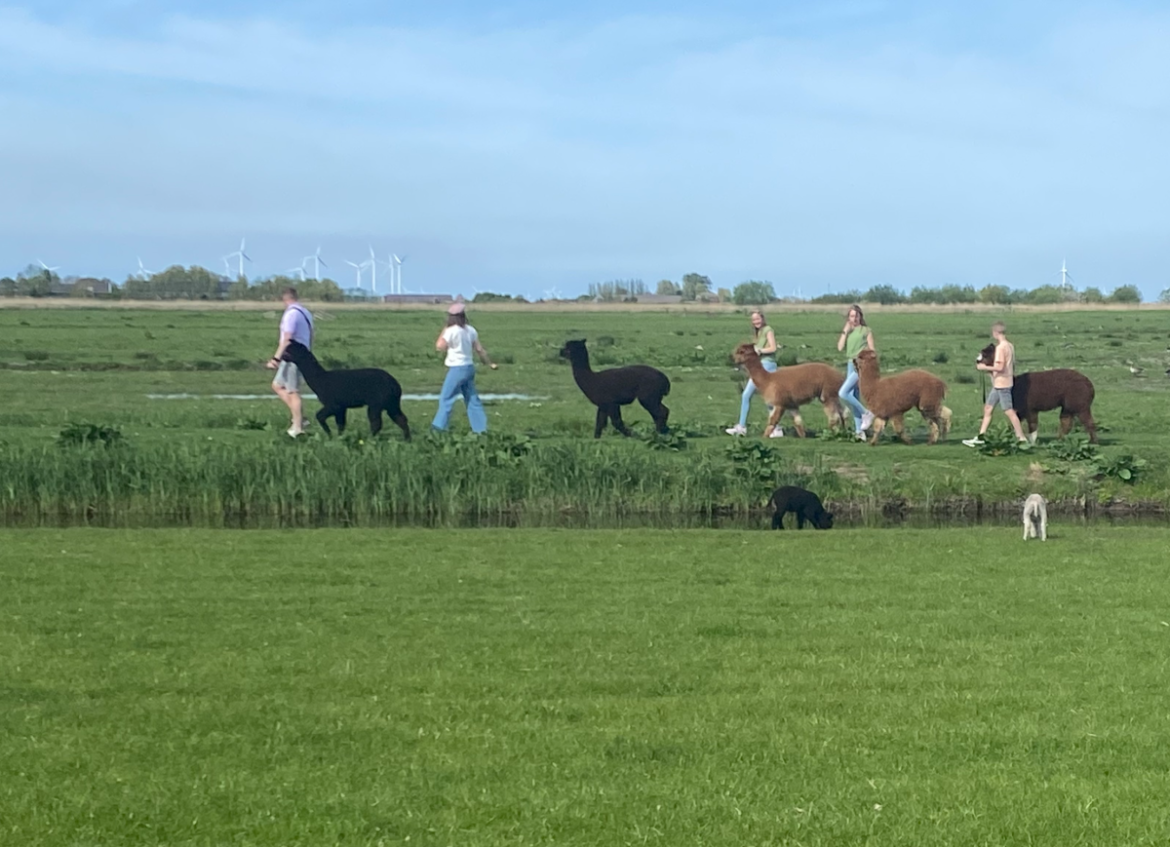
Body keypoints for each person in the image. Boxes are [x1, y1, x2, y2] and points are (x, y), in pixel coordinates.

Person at [432, 302, 497, 434]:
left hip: (457, 368)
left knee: (446, 398)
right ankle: (481, 429)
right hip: (469, 367)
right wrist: (489, 363)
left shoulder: (450, 331)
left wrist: (444, 330)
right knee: (472, 398)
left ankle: (438, 428)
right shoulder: (471, 330)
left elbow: (439, 346)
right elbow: (479, 349)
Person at [963, 321, 1027, 446]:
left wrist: (984, 368)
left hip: (1002, 384)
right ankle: (981, 436)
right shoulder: (1010, 346)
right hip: (1000, 384)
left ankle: (1021, 438)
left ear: (995, 333)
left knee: (1009, 411)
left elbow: (1000, 367)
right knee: (988, 408)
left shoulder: (1000, 348)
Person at [726, 310, 784, 437]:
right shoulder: (758, 333)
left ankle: (743, 427)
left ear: (763, 318)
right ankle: (776, 428)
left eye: (757, 319)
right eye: (753, 320)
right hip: (760, 367)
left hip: (767, 366)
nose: (756, 322)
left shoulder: (768, 330)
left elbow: (773, 348)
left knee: (750, 396)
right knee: (762, 398)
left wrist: (760, 350)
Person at [265, 287, 313, 437]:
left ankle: (298, 427)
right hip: (299, 354)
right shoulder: (305, 312)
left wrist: (276, 358)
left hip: (293, 356)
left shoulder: (291, 314)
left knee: (292, 391)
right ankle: (299, 417)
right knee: (277, 385)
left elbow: (287, 337)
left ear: (284, 299)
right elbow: (312, 334)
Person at [836, 304, 876, 441]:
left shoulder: (866, 330)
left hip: (860, 365)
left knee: (843, 392)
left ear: (861, 316)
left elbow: (872, 350)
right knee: (853, 397)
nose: (855, 319)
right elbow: (840, 348)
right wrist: (845, 332)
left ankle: (867, 413)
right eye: (852, 316)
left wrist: (866, 361)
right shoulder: (849, 331)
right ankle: (860, 432)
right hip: (850, 364)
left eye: (857, 316)